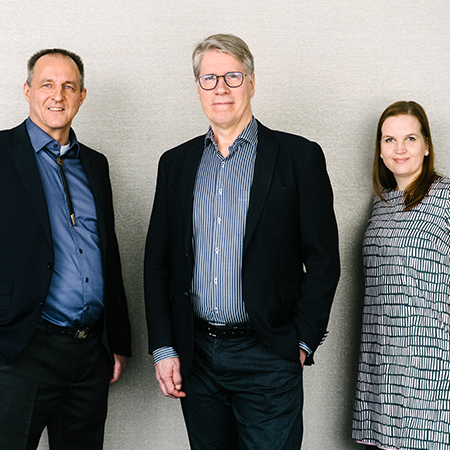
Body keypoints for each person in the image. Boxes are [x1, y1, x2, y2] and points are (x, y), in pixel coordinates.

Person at [144, 33, 340, 449]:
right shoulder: (175, 164)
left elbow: (324, 259)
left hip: (268, 353)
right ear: (198, 87)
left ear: (251, 82)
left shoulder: (298, 157)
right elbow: (158, 263)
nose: (221, 88)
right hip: (197, 355)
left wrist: (301, 341)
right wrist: (163, 347)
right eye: (209, 79)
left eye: (233, 76)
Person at [0, 49, 132, 450]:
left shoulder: (95, 164)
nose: (58, 95)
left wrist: (117, 339)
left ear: (82, 95)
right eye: (47, 84)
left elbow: (107, 252)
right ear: (27, 91)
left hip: (90, 352)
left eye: (69, 86)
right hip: (21, 347)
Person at [353, 101, 450, 450]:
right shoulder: (381, 203)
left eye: (410, 138)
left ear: (426, 146)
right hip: (381, 359)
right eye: (389, 140)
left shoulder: (446, 197)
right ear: (380, 151)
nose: (400, 149)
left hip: (432, 361)